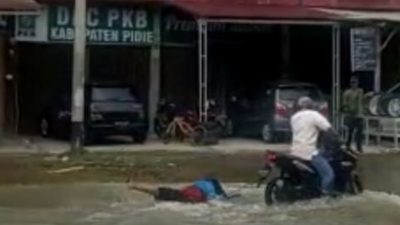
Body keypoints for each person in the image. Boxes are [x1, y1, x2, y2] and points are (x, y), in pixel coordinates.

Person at [290, 96, 335, 196]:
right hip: (309, 152)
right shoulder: (314, 115)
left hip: (295, 152)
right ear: (311, 105)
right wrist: (336, 138)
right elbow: (328, 128)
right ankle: (325, 197)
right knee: (329, 175)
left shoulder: (294, 117)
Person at [127, 177, 237, 203]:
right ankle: (134, 186)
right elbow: (211, 199)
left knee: (159, 192)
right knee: (164, 195)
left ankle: (134, 186)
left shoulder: (203, 182)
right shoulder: (213, 191)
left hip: (189, 192)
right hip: (194, 196)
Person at [342, 76, 364, 152]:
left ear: (358, 83)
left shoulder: (360, 91)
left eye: (355, 82)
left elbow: (360, 102)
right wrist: (348, 110)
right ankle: (348, 146)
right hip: (350, 115)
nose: (353, 84)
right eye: (352, 82)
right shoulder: (347, 92)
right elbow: (345, 104)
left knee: (360, 132)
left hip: (359, 115)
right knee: (350, 132)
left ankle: (359, 147)